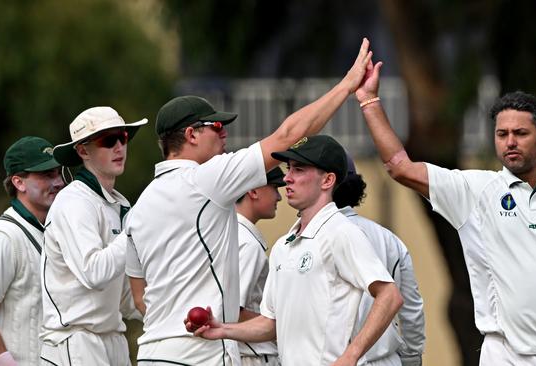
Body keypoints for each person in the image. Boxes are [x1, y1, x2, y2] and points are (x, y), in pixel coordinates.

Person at [356, 58, 536, 365]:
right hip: (504, 355)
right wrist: (369, 101)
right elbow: (400, 167)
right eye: (502, 134)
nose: (510, 142)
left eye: (520, 133)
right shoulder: (474, 191)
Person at [125, 38, 374, 365]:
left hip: (152, 354)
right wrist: (347, 86)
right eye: (216, 126)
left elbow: (140, 296)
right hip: (199, 356)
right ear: (191, 135)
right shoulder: (205, 179)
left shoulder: (139, 206)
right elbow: (287, 137)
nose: (224, 134)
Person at [186, 135, 404, 366]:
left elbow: (390, 296)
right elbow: (271, 324)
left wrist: (351, 355)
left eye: (298, 170)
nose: (287, 178)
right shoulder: (282, 246)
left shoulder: (340, 232)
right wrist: (222, 329)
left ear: (328, 180)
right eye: (288, 169)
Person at [40, 107, 146, 365]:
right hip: (75, 340)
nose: (119, 147)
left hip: (112, 338)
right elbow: (93, 272)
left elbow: (125, 296)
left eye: (123, 137)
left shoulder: (121, 204)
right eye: (108, 141)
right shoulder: (73, 201)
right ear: (83, 151)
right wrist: (136, 228)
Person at [333, 155, 425, 366]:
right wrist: (411, 358)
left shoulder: (303, 240)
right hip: (383, 360)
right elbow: (411, 311)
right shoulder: (388, 239)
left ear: (326, 182)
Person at [0, 137, 63, 366]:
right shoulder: (4, 236)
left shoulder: (50, 230)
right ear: (19, 182)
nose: (59, 181)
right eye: (46, 175)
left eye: (58, 172)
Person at [235, 167, 285, 366]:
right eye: (274, 187)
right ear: (253, 191)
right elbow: (234, 311)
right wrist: (280, 326)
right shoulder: (247, 243)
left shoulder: (225, 234)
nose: (279, 197)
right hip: (254, 355)